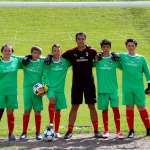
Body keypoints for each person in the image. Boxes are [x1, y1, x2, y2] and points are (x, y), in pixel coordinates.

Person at [62, 32, 101, 139]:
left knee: (92, 106)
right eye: (79, 39)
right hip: (77, 84)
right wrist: (49, 56)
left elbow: (100, 55)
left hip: (89, 84)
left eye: (83, 39)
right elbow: (57, 56)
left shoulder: (92, 51)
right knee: (74, 106)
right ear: (76, 40)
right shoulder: (71, 52)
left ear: (85, 39)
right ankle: (69, 131)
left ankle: (96, 131)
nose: (81, 40)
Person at [120, 39, 150, 138]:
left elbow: (147, 72)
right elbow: (109, 54)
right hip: (127, 87)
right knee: (129, 107)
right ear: (126, 46)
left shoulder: (141, 58)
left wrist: (149, 85)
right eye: (129, 45)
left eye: (132, 45)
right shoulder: (123, 56)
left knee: (141, 107)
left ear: (135, 46)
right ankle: (131, 131)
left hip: (139, 88)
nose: (130, 47)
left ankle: (148, 129)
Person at [94, 39, 123, 139]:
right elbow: (89, 65)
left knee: (116, 110)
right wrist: (95, 59)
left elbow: (123, 66)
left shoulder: (114, 59)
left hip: (113, 89)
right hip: (102, 90)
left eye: (107, 47)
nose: (106, 49)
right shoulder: (98, 59)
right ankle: (106, 131)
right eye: (104, 47)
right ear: (101, 48)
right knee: (104, 111)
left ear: (110, 48)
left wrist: (119, 57)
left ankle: (118, 131)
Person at [44, 44, 70, 138]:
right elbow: (37, 59)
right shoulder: (48, 61)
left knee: (58, 110)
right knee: (52, 100)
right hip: (50, 88)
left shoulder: (65, 62)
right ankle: (51, 123)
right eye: (54, 50)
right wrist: (45, 86)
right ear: (52, 52)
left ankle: (57, 131)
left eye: (58, 50)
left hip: (60, 89)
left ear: (61, 52)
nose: (56, 52)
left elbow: (75, 61)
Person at [20, 46, 45, 141]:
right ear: (31, 53)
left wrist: (44, 88)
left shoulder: (42, 62)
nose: (36, 55)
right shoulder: (25, 62)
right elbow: (14, 58)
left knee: (37, 111)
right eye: (34, 53)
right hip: (27, 89)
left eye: (38, 53)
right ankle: (24, 133)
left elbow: (49, 59)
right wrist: (25, 57)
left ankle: (38, 133)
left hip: (38, 90)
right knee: (27, 110)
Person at [0, 44, 21, 141]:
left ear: (12, 52)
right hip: (1, 92)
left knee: (10, 113)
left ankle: (11, 133)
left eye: (9, 50)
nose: (7, 52)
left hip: (12, 92)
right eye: (5, 50)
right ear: (2, 52)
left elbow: (32, 58)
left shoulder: (16, 60)